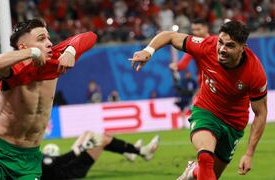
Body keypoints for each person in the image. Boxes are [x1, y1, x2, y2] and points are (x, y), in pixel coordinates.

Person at [129, 20, 267, 180]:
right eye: (220, 42)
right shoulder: (208, 45)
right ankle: (197, 167)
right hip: (206, 112)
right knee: (205, 158)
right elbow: (170, 36)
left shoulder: (255, 72)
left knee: (209, 175)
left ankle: (192, 171)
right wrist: (148, 51)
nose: (222, 49)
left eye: (229, 46)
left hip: (233, 125)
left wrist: (249, 154)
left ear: (243, 48)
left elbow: (260, 113)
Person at [0, 18, 97, 179]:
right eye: (41, 39)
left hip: (30, 159)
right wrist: (33, 53)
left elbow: (90, 36)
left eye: (48, 37)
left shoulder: (56, 59)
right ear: (23, 47)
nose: (49, 43)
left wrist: (71, 50)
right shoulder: (15, 69)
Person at [41, 131, 160, 179]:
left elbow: (57, 162)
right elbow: (61, 160)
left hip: (67, 166)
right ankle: (141, 152)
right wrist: (82, 147)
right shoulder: (39, 160)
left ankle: (131, 153)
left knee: (89, 133)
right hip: (74, 169)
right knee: (102, 139)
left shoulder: (31, 158)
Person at [169, 19, 210, 84]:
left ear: (206, 28)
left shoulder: (217, 42)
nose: (195, 33)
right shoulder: (194, 46)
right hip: (203, 82)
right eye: (193, 30)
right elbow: (183, 63)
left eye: (198, 29)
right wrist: (175, 67)